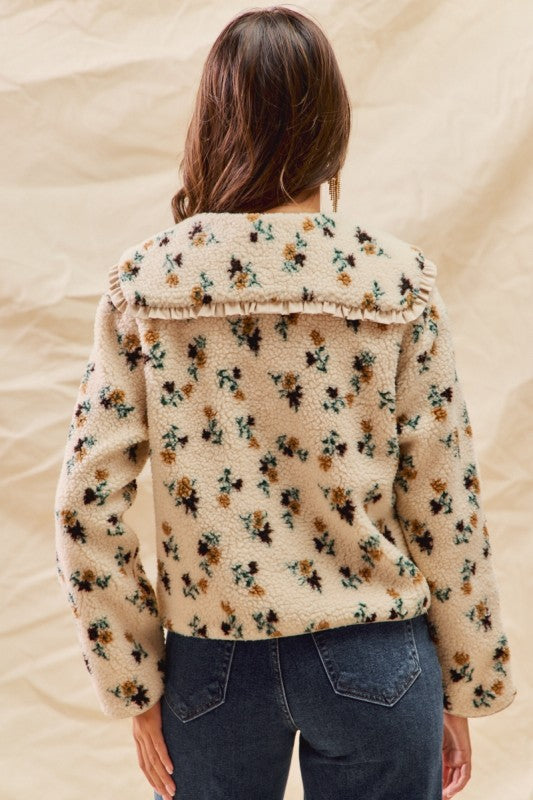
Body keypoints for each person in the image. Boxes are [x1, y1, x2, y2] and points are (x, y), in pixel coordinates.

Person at [53, 6, 517, 800]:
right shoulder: (393, 280)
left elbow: (84, 504)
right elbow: (443, 499)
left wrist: (134, 681)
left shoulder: (147, 282)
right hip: (378, 656)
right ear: (332, 124)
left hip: (211, 663)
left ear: (212, 123)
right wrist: (464, 681)